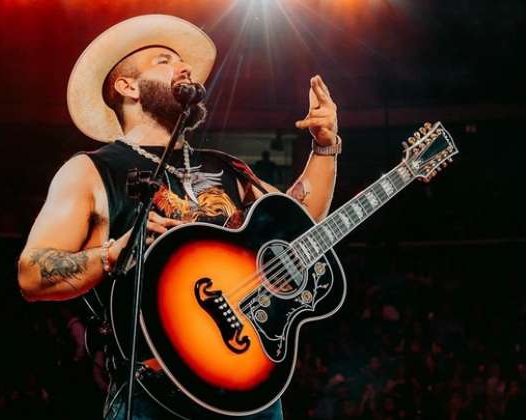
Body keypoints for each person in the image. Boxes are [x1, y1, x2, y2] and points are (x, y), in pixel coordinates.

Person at [17, 14, 342, 419]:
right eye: (164, 60)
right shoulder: (91, 170)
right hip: (152, 393)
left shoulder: (229, 168)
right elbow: (32, 274)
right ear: (127, 86)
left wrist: (325, 147)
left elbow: (300, 224)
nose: (183, 66)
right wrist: (111, 255)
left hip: (246, 388)